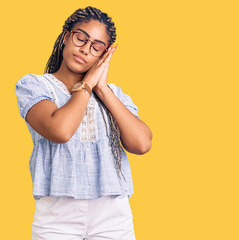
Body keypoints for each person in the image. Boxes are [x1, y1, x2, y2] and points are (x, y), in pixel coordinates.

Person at [15, 6, 152, 240]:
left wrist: (102, 89)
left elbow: (141, 144)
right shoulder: (34, 86)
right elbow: (61, 130)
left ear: (104, 55)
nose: (85, 49)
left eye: (96, 47)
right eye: (81, 38)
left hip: (112, 215)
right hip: (57, 216)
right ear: (66, 36)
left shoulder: (114, 94)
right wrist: (87, 84)